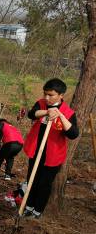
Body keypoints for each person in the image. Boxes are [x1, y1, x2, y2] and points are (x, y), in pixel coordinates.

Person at [22, 78, 79, 218]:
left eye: (51, 95)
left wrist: (59, 115)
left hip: (53, 155)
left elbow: (73, 134)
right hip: (36, 151)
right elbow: (31, 114)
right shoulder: (41, 104)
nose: (47, 98)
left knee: (44, 184)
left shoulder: (68, 112)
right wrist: (46, 112)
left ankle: (37, 211)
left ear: (61, 95)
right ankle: (27, 206)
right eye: (45, 94)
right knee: (32, 180)